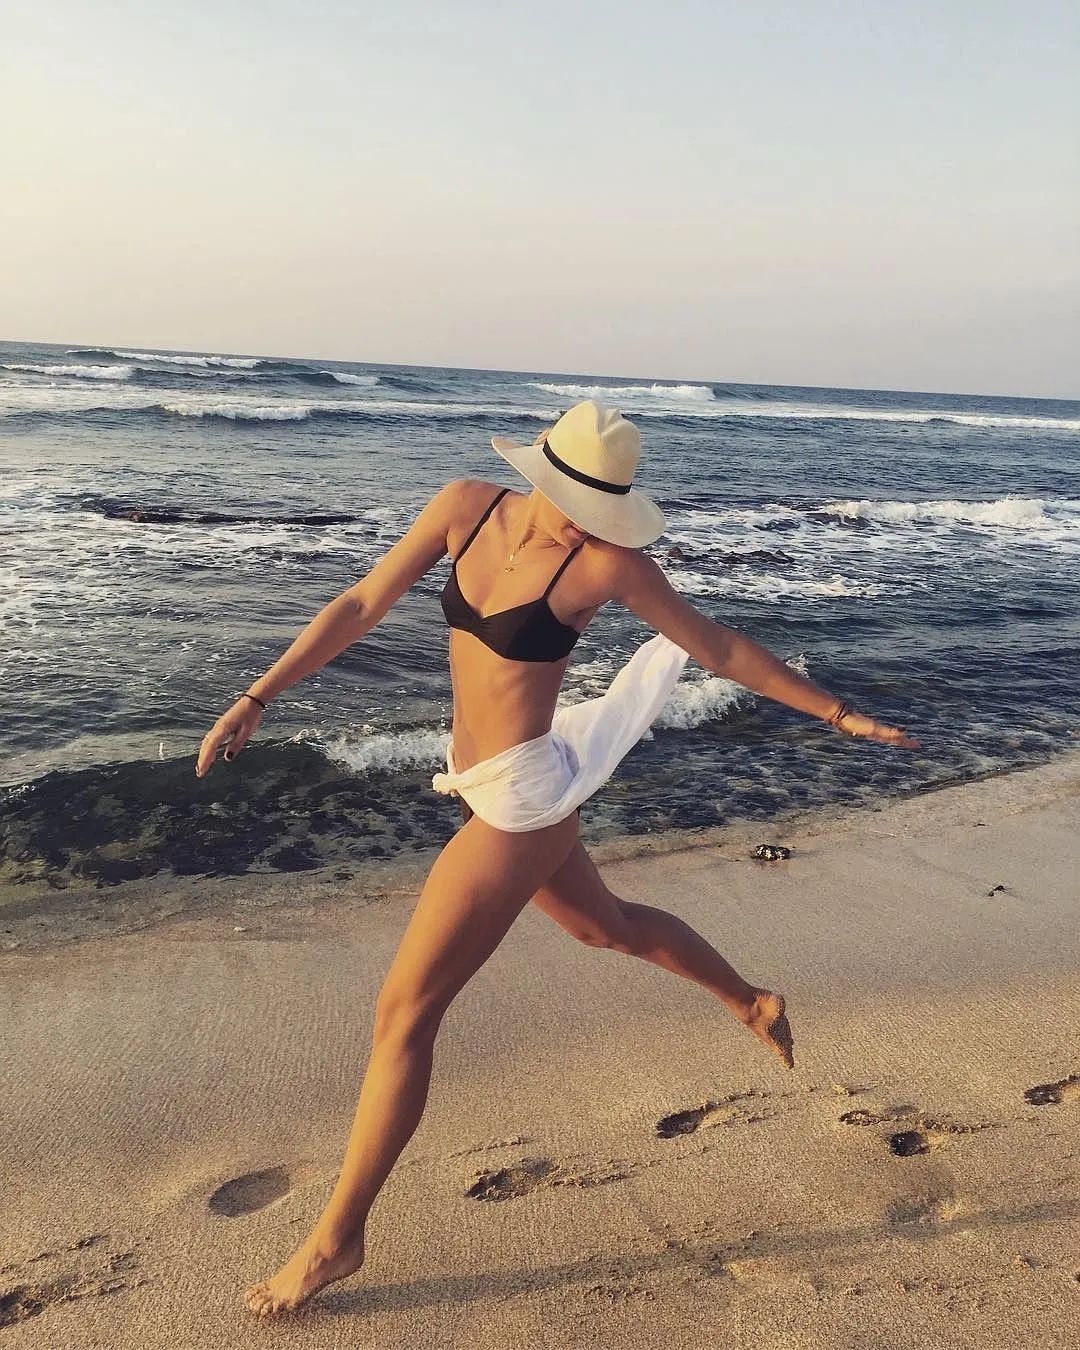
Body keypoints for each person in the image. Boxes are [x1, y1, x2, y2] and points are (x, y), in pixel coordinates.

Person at [195, 400, 918, 1318]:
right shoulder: (464, 507)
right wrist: (259, 695)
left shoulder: (607, 564)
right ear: (541, 475)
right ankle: (750, 1001)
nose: (586, 521)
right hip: (482, 780)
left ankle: (337, 1240)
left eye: (603, 508)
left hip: (522, 803)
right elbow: (360, 604)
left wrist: (837, 712)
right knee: (604, 927)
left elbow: (718, 646)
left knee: (404, 1017)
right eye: (577, 502)